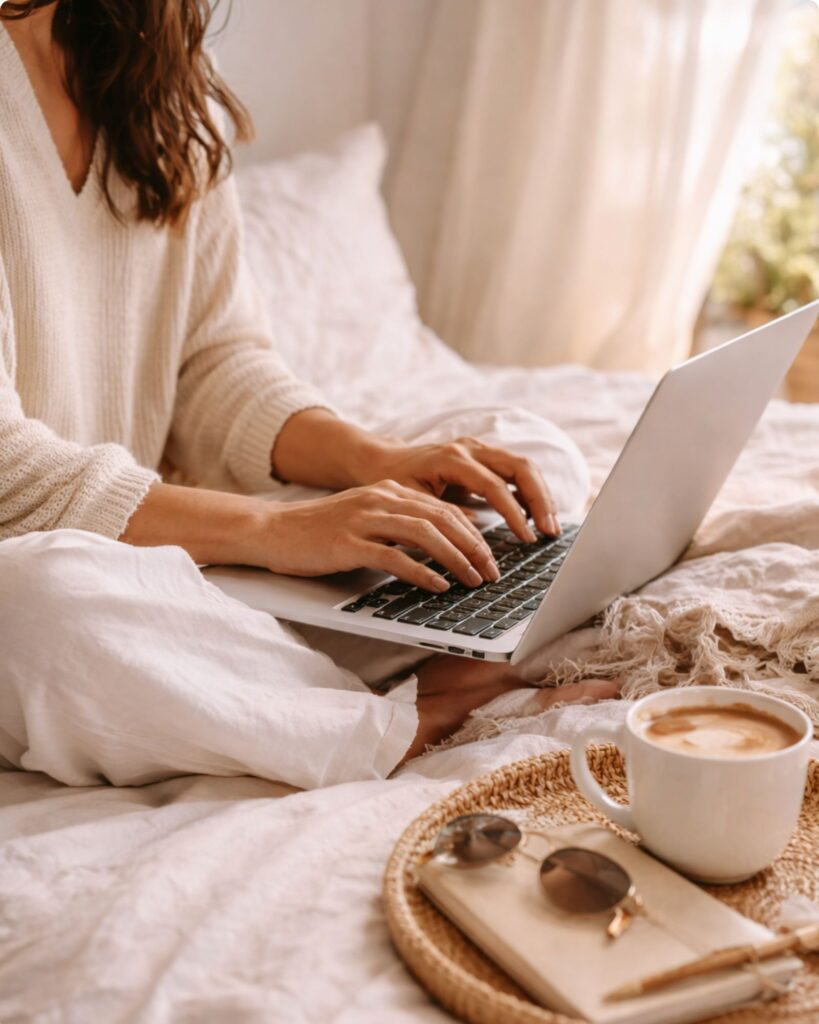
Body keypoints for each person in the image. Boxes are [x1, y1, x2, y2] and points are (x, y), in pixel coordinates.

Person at [0, 0, 616, 789]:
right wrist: (276, 528)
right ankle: (385, 724)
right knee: (36, 605)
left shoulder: (159, 71)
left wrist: (379, 465)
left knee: (519, 448)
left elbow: (213, 360)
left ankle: (279, 678)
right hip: (51, 576)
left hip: (161, 547)